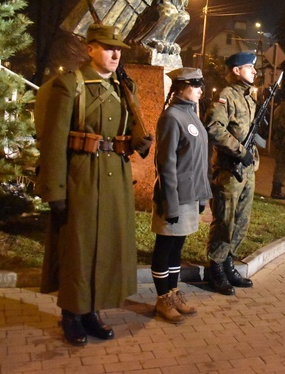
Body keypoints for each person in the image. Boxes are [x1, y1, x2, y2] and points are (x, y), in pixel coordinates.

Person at [35, 23, 152, 346]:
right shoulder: (69, 85)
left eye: (118, 49)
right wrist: (54, 190)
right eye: (106, 47)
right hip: (81, 176)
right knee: (79, 247)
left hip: (114, 175)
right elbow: (54, 142)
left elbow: (130, 132)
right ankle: (72, 313)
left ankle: (92, 311)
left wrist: (140, 140)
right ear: (90, 49)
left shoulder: (122, 86)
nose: (115, 54)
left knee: (106, 247)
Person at [150, 67, 210, 323]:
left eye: (201, 84)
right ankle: (163, 299)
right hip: (173, 196)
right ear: (181, 86)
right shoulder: (171, 117)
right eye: (195, 84)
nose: (200, 89)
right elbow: (166, 164)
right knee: (164, 247)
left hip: (190, 195)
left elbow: (200, 160)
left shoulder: (192, 115)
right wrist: (170, 203)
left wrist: (203, 195)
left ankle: (173, 293)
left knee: (177, 248)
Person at [205, 51, 259, 295]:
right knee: (225, 219)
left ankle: (229, 261)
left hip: (246, 169)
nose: (255, 72)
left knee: (242, 220)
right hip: (229, 169)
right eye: (250, 67)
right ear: (236, 70)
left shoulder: (248, 98)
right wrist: (240, 151)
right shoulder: (227, 96)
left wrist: (251, 157)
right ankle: (215, 267)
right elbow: (214, 128)